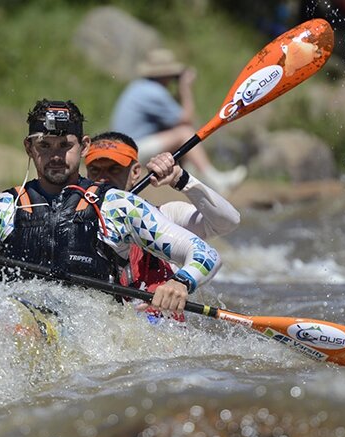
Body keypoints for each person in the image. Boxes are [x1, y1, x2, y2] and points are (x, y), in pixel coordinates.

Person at [0, 99, 223, 313]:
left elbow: (205, 254)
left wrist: (180, 282)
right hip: (9, 316)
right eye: (44, 146)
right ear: (29, 148)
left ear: (84, 146)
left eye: (65, 145)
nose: (55, 156)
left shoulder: (118, 206)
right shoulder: (1, 208)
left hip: (89, 330)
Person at [84, 131, 239, 321]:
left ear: (135, 173)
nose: (103, 179)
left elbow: (228, 222)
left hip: (165, 333)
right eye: (95, 170)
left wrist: (181, 180)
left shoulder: (165, 216)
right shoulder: (81, 226)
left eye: (114, 169)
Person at [110, 48, 247, 195]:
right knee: (184, 134)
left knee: (178, 133)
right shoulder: (155, 92)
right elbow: (186, 119)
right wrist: (185, 88)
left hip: (126, 148)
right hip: (133, 150)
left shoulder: (140, 87)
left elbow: (171, 119)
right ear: (166, 74)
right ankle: (215, 180)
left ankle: (198, 181)